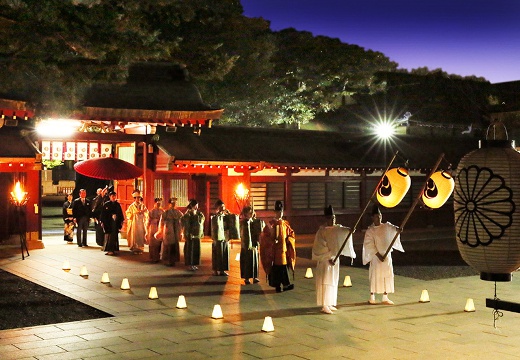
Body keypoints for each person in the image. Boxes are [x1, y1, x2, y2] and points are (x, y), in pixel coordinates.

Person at [312, 205, 356, 314]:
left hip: (334, 260)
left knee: (333, 280)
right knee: (325, 281)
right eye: (330, 218)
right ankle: (324, 304)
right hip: (325, 260)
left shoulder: (337, 228)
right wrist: (330, 255)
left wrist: (351, 231)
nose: (333, 220)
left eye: (334, 217)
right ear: (326, 218)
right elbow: (319, 247)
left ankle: (330, 302)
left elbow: (344, 232)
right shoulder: (321, 231)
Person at [362, 204, 404, 305]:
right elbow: (369, 244)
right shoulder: (370, 231)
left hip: (387, 255)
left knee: (387, 275)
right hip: (376, 257)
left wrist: (398, 230)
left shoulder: (387, 226)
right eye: (376, 216)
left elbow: (395, 230)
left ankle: (385, 296)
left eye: (380, 215)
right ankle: (372, 296)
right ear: (372, 217)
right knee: (375, 275)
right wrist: (378, 254)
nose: (379, 218)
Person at [260, 200, 296, 293]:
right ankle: (278, 286)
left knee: (283, 267)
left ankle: (284, 285)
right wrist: (271, 240)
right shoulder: (270, 224)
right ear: (275, 212)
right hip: (274, 251)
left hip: (283, 250)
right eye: (278, 212)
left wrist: (289, 239)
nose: (280, 213)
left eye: (281, 211)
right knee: (276, 268)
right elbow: (265, 238)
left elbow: (291, 234)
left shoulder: (285, 224)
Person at [239, 206, 264, 285]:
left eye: (252, 212)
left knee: (254, 260)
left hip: (253, 243)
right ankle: (246, 278)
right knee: (247, 261)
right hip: (246, 244)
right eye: (249, 212)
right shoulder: (243, 222)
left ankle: (254, 276)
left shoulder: (254, 221)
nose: (251, 213)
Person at [156, 197, 183, 266]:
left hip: (176, 229)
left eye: (174, 203)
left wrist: (181, 231)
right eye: (172, 203)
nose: (173, 205)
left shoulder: (178, 212)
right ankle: (167, 260)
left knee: (175, 245)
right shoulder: (166, 213)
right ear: (169, 204)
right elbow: (161, 222)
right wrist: (160, 231)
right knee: (168, 244)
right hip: (168, 230)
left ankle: (173, 260)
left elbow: (182, 220)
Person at [210, 199, 233, 276]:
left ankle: (222, 270)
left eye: (223, 206)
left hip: (225, 236)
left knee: (225, 253)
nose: (223, 208)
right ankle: (215, 270)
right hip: (217, 237)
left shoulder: (226, 216)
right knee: (217, 254)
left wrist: (229, 215)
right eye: (221, 206)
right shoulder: (215, 216)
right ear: (217, 207)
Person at [182, 199, 205, 271]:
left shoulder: (198, 213)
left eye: (197, 205)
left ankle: (194, 264)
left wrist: (196, 215)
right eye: (195, 205)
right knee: (190, 249)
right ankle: (189, 264)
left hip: (197, 234)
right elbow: (184, 222)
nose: (197, 207)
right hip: (190, 234)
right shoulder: (188, 214)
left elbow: (202, 219)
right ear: (192, 206)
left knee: (196, 249)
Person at [100, 191, 124, 256]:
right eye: (112, 196)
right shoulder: (106, 204)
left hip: (115, 222)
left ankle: (115, 249)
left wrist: (121, 221)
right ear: (110, 197)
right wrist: (102, 222)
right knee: (109, 236)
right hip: (108, 222)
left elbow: (120, 214)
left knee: (115, 235)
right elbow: (103, 214)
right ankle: (109, 249)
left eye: (114, 196)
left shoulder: (117, 204)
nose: (113, 197)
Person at [126, 190, 149, 255]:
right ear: (134, 198)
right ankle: (134, 248)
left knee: (141, 235)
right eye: (136, 198)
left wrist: (142, 212)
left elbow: (147, 213)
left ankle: (140, 248)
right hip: (134, 222)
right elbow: (128, 213)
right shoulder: (132, 206)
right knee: (135, 235)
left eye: (139, 198)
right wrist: (134, 213)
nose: (138, 199)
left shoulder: (143, 205)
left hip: (141, 222)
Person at [147, 197, 164, 263]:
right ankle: (152, 257)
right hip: (153, 227)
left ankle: (158, 257)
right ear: (155, 203)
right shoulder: (151, 211)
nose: (159, 205)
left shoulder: (162, 211)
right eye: (157, 203)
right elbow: (148, 220)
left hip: (160, 228)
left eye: (160, 203)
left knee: (159, 242)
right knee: (152, 243)